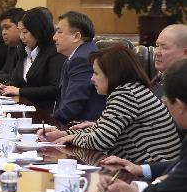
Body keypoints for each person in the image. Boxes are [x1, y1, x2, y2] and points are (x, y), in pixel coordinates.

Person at [42, 46, 181, 164]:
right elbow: (102, 130)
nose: (92, 79)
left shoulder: (126, 94)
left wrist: (70, 137)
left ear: (112, 74)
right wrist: (63, 134)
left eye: (96, 73)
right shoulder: (130, 90)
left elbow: (101, 140)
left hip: (152, 170)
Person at [93, 60, 187, 192]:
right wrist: (141, 169)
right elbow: (180, 165)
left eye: (166, 102)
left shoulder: (126, 94)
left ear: (179, 105)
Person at [0, 7, 65, 111]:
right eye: (19, 32)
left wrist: (19, 91)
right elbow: (17, 81)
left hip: (44, 111)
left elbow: (54, 89)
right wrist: (5, 86)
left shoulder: (54, 52)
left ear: (38, 30)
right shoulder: (22, 50)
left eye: (25, 32)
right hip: (21, 107)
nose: (22, 37)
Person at [52, 11, 106, 124]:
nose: (54, 38)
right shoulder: (81, 53)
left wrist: (49, 122)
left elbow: (73, 104)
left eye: (59, 32)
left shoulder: (82, 59)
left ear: (76, 36)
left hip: (82, 126)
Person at [151, 24, 187, 100]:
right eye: (157, 46)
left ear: (185, 53)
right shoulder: (159, 79)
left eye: (164, 47)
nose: (156, 52)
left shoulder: (182, 88)